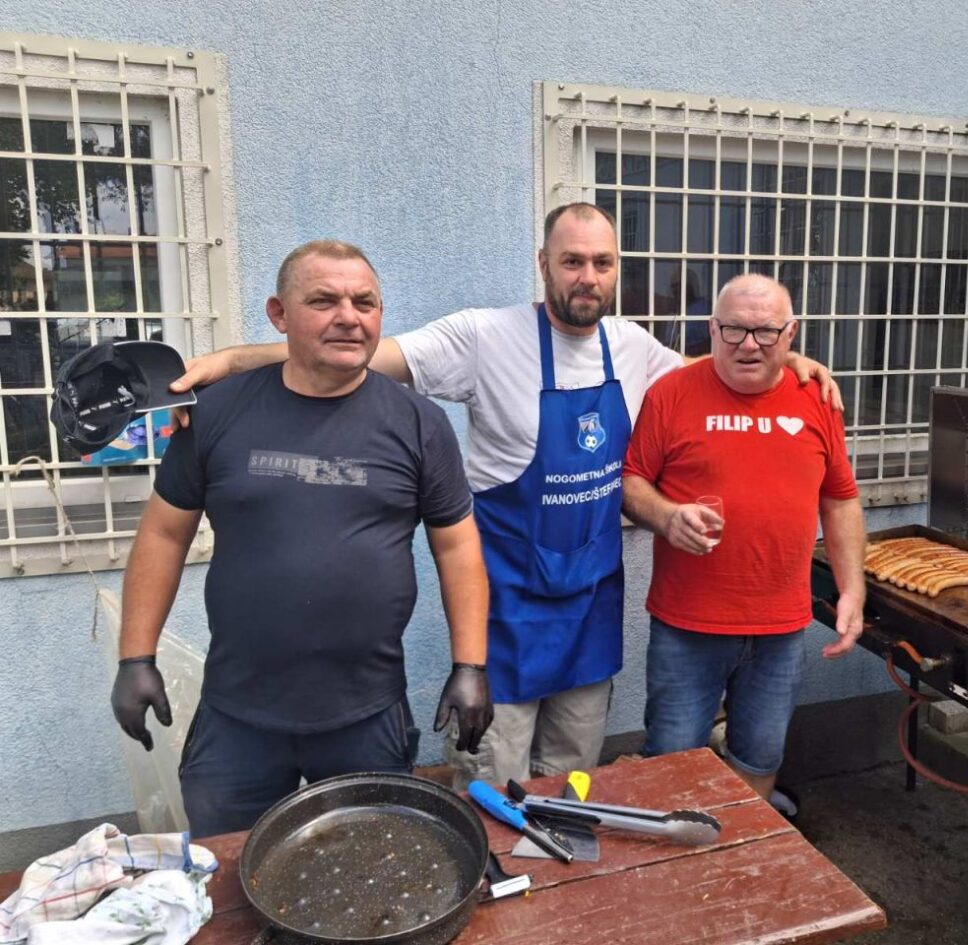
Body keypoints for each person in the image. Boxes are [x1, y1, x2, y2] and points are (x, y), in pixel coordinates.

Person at [169, 204, 843, 789]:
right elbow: (351, 353)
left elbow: (720, 368)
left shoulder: (632, 347)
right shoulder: (485, 336)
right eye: (572, 260)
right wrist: (231, 362)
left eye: (603, 262)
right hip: (507, 615)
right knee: (495, 784)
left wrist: (796, 364)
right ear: (543, 263)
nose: (588, 276)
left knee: (572, 779)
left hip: (588, 611)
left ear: (617, 269)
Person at [110, 240, 492, 836]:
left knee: (371, 870)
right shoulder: (215, 415)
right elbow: (163, 534)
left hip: (367, 714)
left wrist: (471, 664)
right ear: (279, 314)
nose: (349, 315)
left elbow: (457, 546)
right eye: (324, 300)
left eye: (364, 302)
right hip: (237, 715)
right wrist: (136, 657)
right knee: (226, 876)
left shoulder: (420, 422)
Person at [622, 274, 866, 799]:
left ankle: (741, 859)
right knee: (672, 760)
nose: (748, 344)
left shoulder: (817, 399)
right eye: (733, 330)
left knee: (759, 757)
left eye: (765, 331)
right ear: (711, 329)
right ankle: (680, 871)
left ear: (791, 333)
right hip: (687, 626)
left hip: (780, 628)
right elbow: (631, 482)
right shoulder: (669, 394)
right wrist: (666, 517)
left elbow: (840, 497)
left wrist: (852, 590)